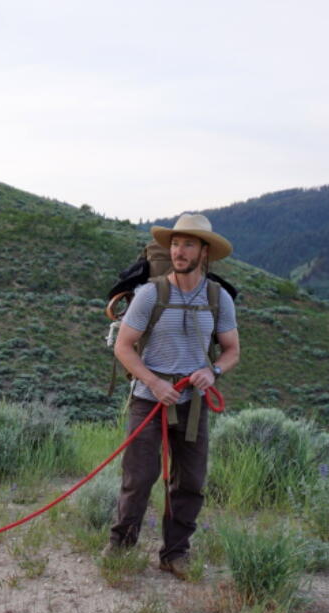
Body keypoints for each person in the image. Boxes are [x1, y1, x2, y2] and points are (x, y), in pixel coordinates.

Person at [108, 213, 240, 579]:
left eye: (188, 244)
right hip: (148, 400)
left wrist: (211, 372)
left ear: (205, 252)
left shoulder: (219, 298)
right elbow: (124, 347)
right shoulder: (150, 294)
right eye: (176, 244)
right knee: (139, 476)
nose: (179, 251)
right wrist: (154, 382)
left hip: (194, 403)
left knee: (191, 482)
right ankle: (120, 548)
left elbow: (231, 351)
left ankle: (175, 554)